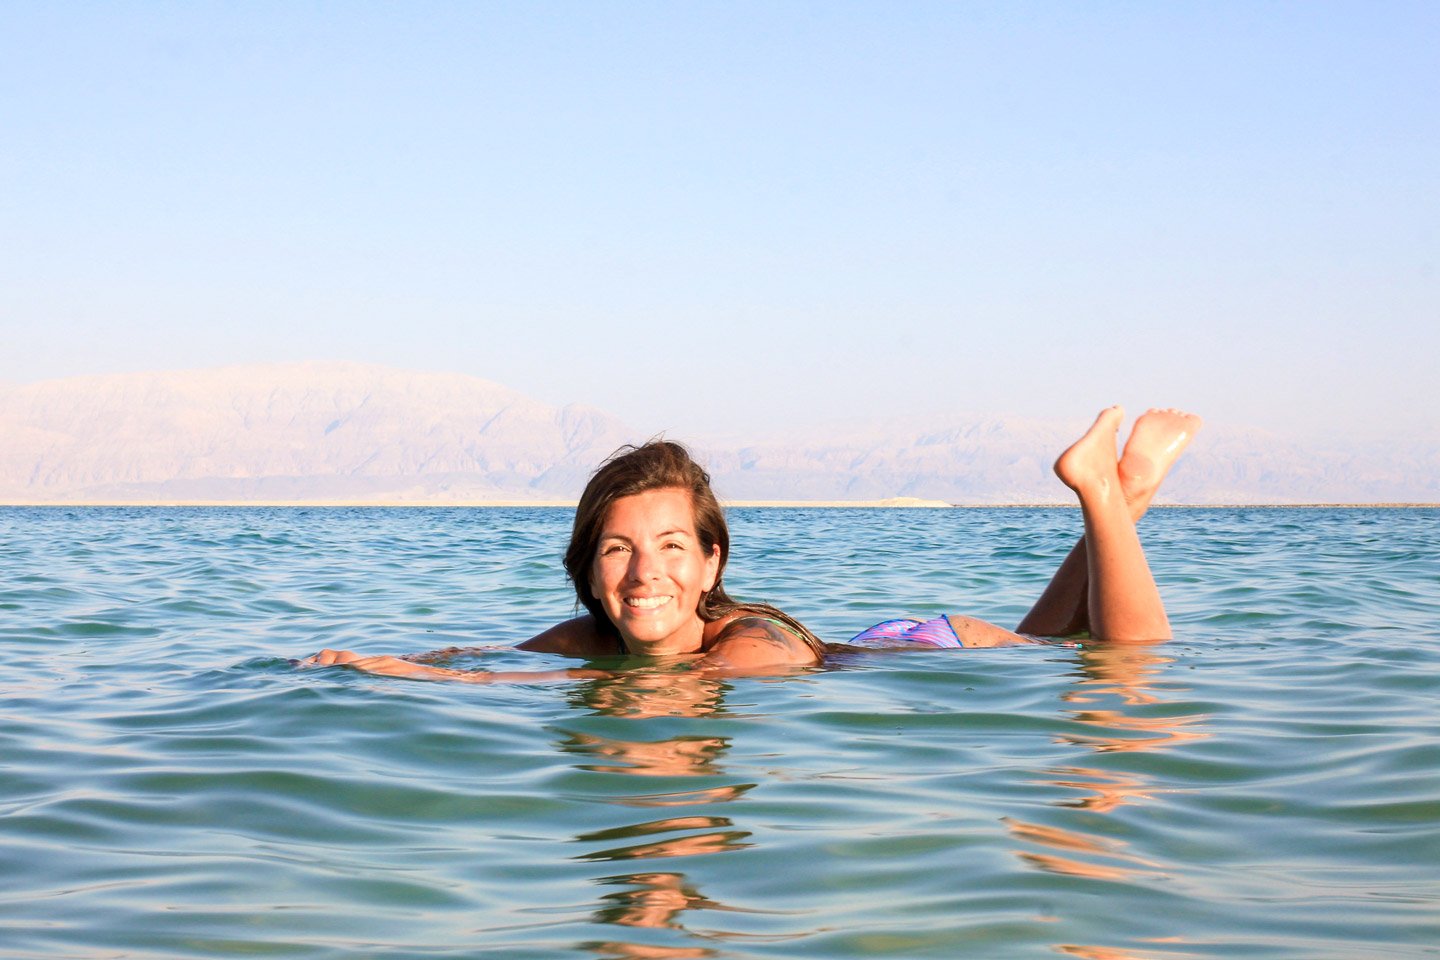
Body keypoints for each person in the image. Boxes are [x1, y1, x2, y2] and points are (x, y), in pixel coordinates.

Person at [303, 405, 1201, 682]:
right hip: (886, 638)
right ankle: (1120, 499)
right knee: (1057, 644)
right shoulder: (593, 638)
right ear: (587, 571)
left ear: (711, 566)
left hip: (930, 646)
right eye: (617, 551)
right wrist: (388, 661)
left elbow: (701, 689)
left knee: (1129, 662)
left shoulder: (748, 643)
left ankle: (1099, 492)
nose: (645, 572)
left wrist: (425, 680)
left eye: (669, 548)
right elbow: (488, 664)